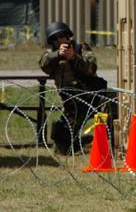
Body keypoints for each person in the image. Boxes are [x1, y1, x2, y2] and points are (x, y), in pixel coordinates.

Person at [39, 22, 111, 155]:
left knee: (103, 117)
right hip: (71, 100)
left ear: (68, 36)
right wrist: (57, 55)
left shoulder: (81, 48)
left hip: (90, 95)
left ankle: (103, 142)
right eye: (56, 38)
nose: (60, 40)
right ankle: (83, 142)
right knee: (62, 144)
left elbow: (91, 67)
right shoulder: (50, 55)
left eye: (62, 36)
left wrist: (73, 57)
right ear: (52, 41)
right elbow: (44, 65)